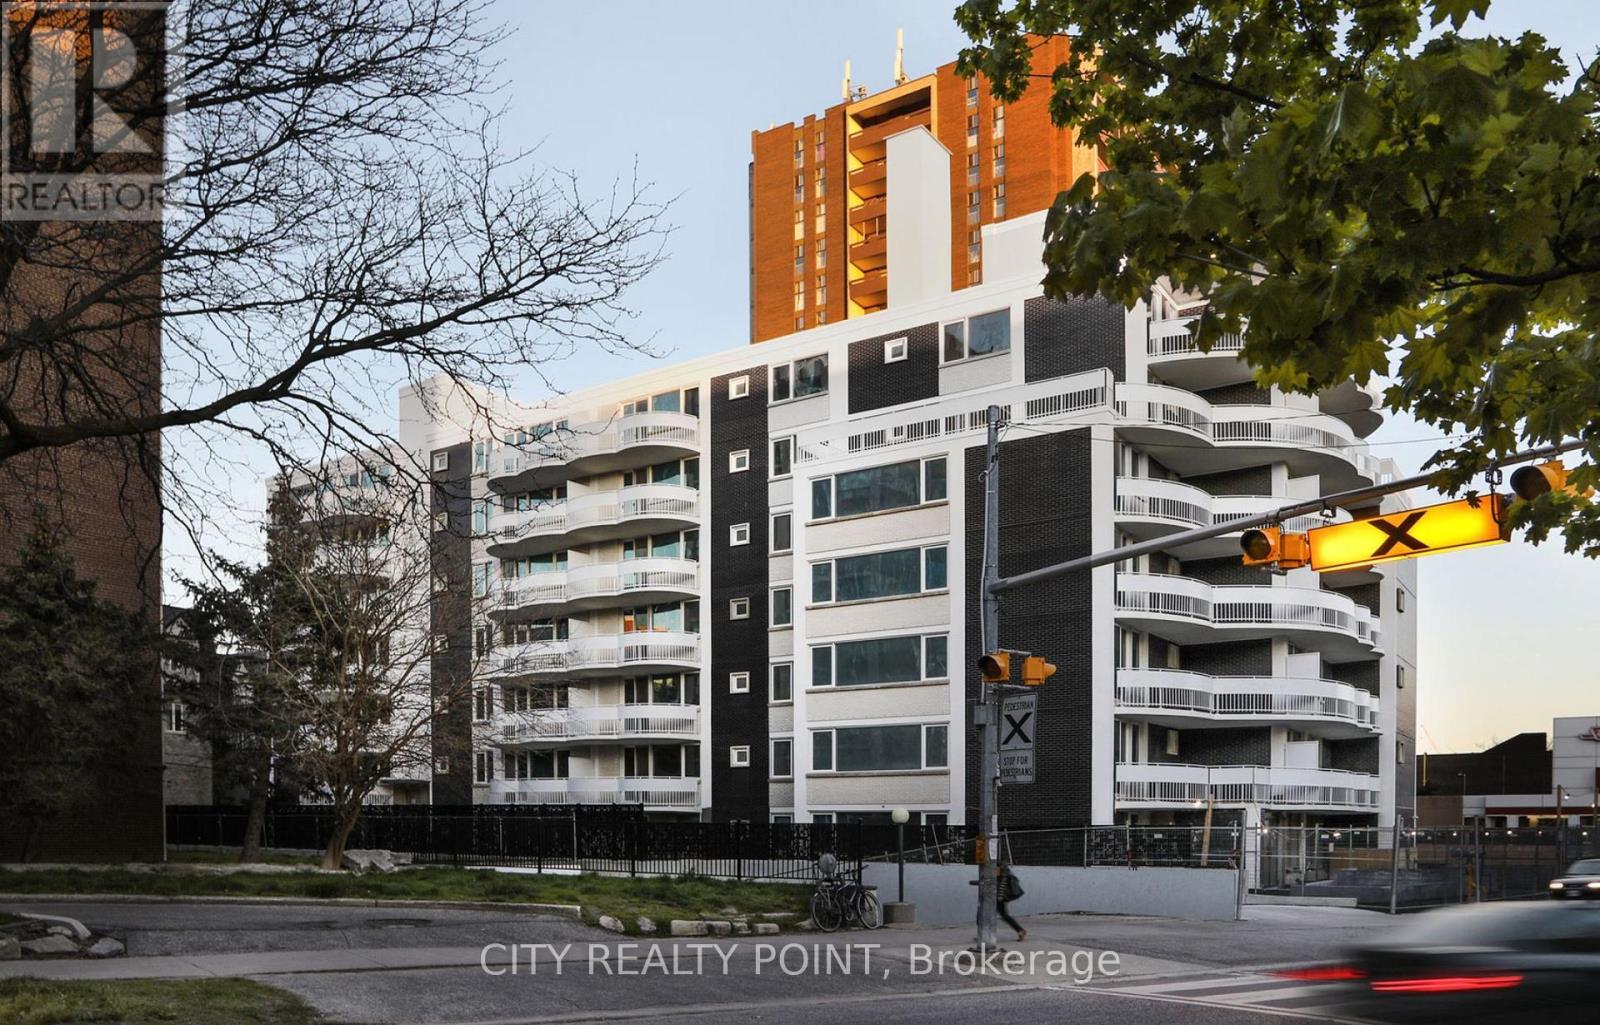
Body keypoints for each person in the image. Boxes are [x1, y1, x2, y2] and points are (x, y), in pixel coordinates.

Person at [998, 861, 1026, 942]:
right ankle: (1020, 930)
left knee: (1004, 915)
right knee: (1004, 915)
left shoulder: (1004, 875)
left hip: (1000, 898)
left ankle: (1020, 930)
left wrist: (1000, 898)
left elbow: (1001, 887)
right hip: (998, 897)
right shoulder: (1004, 873)